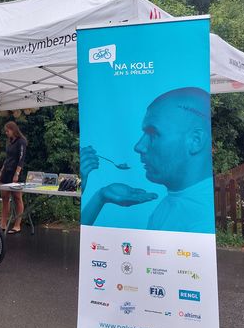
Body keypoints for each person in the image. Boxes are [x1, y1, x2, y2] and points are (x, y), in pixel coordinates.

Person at [81, 87, 214, 233]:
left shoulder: (201, 221)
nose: (138, 146)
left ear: (195, 140)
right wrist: (101, 196)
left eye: (153, 134)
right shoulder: (176, 202)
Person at [0, 121, 27, 233]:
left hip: (16, 172)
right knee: (5, 197)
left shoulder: (21, 141)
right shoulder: (10, 142)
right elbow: (7, 158)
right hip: (7, 171)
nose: (6, 133)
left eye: (7, 131)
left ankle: (17, 224)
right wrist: (1, 171)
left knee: (17, 197)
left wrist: (17, 173)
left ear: (13, 130)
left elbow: (21, 158)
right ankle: (3, 223)